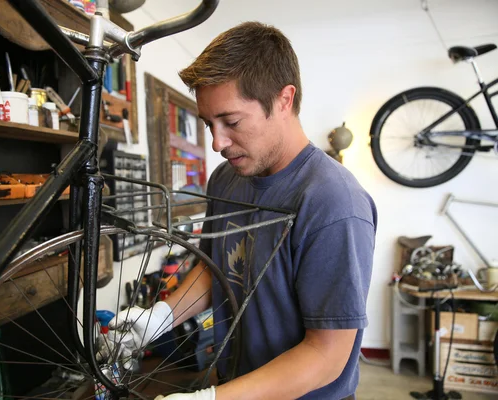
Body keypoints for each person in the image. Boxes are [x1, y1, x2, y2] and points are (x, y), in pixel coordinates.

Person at [108, 21, 377, 400]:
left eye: (231, 122)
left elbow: (326, 355)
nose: (217, 142)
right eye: (208, 123)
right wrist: (159, 318)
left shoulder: (334, 202)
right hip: (236, 382)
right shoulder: (225, 178)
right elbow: (217, 265)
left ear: (284, 100)